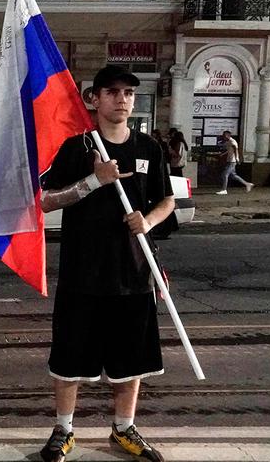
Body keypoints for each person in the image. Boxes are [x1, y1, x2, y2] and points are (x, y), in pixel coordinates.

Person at [38, 65, 175, 462]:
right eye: (112, 92)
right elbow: (47, 200)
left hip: (134, 273)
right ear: (93, 99)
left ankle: (124, 428)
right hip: (83, 272)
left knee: (131, 359)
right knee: (69, 357)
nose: (121, 99)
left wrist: (147, 220)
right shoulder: (77, 147)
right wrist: (94, 181)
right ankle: (62, 431)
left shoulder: (149, 148)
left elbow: (167, 200)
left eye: (128, 93)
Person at [216, 130, 254, 195]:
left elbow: (236, 149)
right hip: (229, 160)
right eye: (223, 135)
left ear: (228, 135)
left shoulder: (232, 141)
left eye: (224, 135)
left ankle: (224, 189)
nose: (223, 137)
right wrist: (222, 154)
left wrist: (237, 158)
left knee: (225, 174)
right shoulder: (228, 142)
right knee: (233, 176)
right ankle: (247, 184)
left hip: (232, 161)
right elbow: (229, 150)